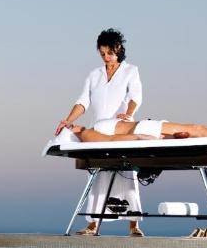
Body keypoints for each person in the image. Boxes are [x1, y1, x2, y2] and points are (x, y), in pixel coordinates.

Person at [54, 29, 144, 236]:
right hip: (99, 130)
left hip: (120, 128)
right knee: (99, 175)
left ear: (118, 48)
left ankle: (134, 225)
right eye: (102, 53)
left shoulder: (131, 70)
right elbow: (83, 101)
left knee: (127, 173)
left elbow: (135, 95)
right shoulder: (94, 75)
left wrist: (128, 114)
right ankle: (94, 224)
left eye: (109, 53)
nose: (106, 57)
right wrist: (68, 120)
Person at [72, 116, 207, 142]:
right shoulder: (86, 133)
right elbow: (110, 142)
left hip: (145, 126)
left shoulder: (94, 125)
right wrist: (140, 138)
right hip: (145, 129)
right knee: (197, 129)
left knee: (196, 129)